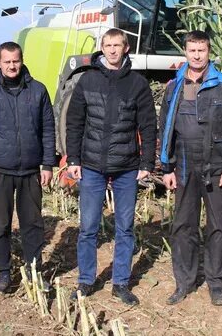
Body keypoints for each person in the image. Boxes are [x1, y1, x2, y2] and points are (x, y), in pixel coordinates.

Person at [65, 27, 157, 306]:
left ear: (125, 48)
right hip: (91, 165)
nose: (113, 50)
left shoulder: (137, 83)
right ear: (102, 48)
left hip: (127, 167)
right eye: (108, 45)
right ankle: (86, 280)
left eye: (118, 45)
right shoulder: (88, 80)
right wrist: (73, 159)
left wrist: (146, 163)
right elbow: (74, 123)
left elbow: (149, 126)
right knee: (89, 227)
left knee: (125, 227)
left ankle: (120, 283)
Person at [158, 30, 222, 307]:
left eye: (202, 50)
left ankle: (216, 283)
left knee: (218, 226)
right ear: (185, 52)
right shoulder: (174, 86)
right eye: (192, 50)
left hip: (216, 166)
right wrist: (167, 167)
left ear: (209, 52)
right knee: (183, 226)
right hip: (184, 166)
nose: (197, 56)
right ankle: (184, 282)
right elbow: (166, 128)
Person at [0, 41, 56, 295]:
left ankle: (33, 271)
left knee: (32, 224)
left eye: (15, 61)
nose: (11, 66)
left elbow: (48, 130)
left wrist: (47, 164)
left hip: (30, 171)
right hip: (0, 170)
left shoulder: (38, 91)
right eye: (6, 61)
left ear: (22, 60)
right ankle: (4, 274)